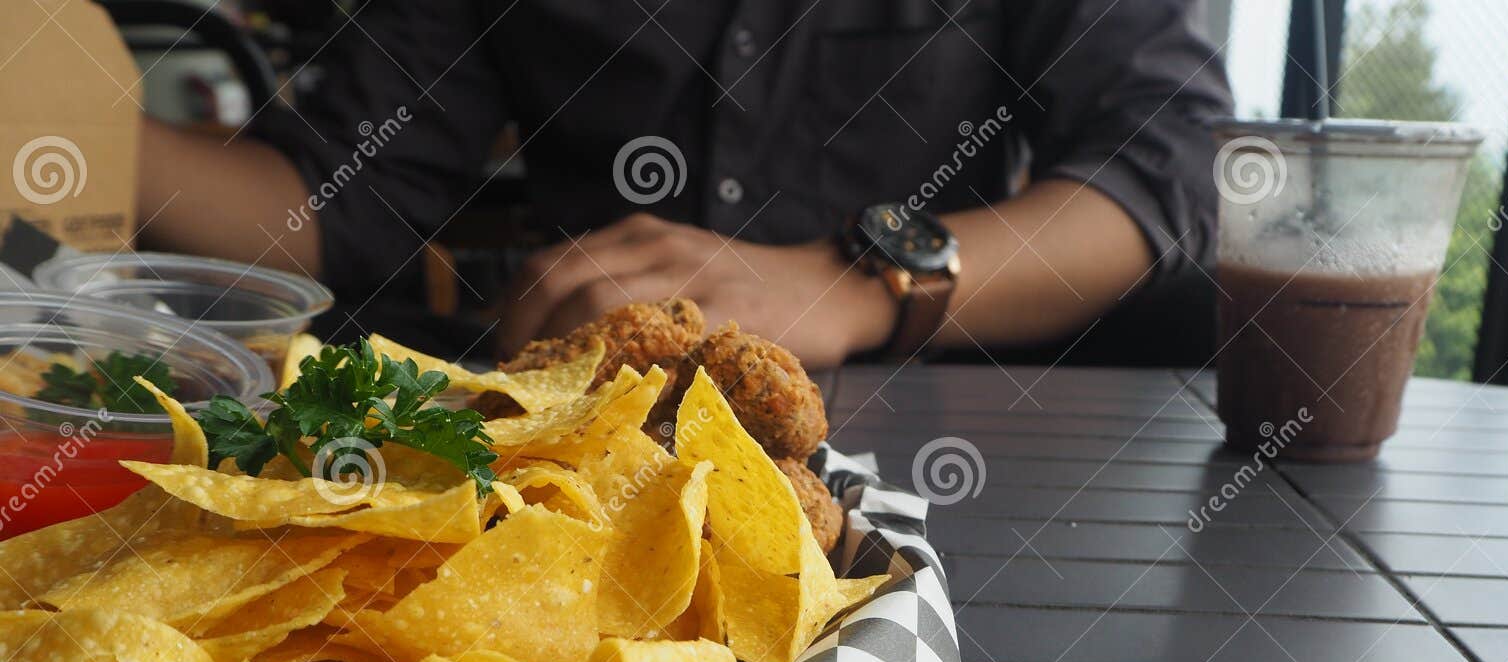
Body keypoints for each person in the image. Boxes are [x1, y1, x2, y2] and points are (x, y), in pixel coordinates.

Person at [137, 1, 1232, 368]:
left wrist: (849, 284)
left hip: (936, 443)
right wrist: (78, 136)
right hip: (581, 440)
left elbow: (1168, 160)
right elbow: (340, 205)